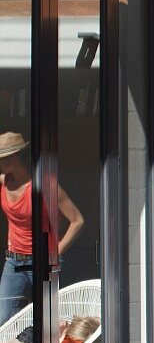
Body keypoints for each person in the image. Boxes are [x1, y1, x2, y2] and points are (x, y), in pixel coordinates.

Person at [0, 132, 85, 326]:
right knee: (4, 319)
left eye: (2, 157)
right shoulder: (5, 181)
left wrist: (55, 254)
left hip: (41, 260)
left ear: (13, 158)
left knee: (48, 320)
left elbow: (77, 220)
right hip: (14, 261)